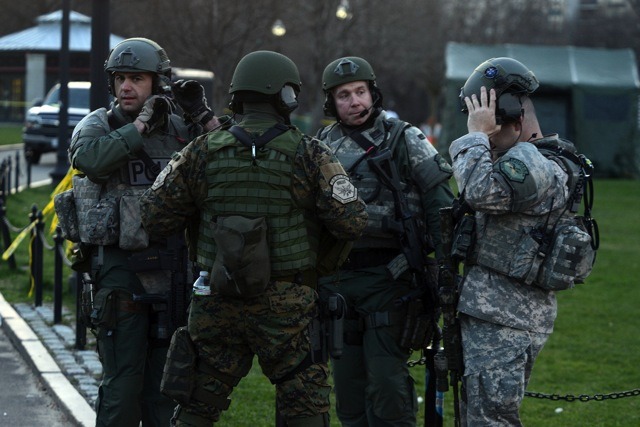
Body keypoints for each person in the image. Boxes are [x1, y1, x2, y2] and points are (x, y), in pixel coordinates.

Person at [138, 50, 368, 427]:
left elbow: (154, 216)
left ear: (237, 96)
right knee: (305, 408)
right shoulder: (310, 153)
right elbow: (352, 222)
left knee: (198, 404)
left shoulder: (199, 151)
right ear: (287, 97)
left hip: (216, 301)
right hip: (288, 307)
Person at [66, 37, 219, 427]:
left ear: (159, 83)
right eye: (120, 79)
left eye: (137, 78)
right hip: (121, 271)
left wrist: (203, 116)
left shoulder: (184, 131)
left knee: (166, 388)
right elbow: (91, 160)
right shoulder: (101, 123)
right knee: (122, 387)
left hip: (173, 270)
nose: (126, 87)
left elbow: (229, 162)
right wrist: (140, 125)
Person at [316, 56, 454, 427]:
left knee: (388, 387)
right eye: (344, 95)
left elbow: (440, 203)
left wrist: (445, 269)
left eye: (360, 92)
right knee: (347, 392)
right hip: (336, 284)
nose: (354, 101)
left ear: (373, 93)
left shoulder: (404, 138)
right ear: (332, 102)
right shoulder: (318, 146)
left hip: (390, 280)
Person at [450, 57, 583, 425]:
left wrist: (475, 135)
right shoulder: (527, 159)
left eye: (490, 122)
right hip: (498, 314)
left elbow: (479, 191)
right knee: (478, 415)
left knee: (490, 420)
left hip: (506, 318)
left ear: (511, 114)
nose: (487, 139)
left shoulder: (535, 163)